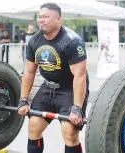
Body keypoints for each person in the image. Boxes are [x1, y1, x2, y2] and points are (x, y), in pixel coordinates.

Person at [17, 3, 89, 153]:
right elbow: (29, 72)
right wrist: (23, 99)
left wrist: (77, 108)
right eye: (40, 17)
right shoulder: (34, 41)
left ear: (58, 19)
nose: (41, 20)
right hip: (47, 87)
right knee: (33, 127)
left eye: (46, 17)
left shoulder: (72, 41)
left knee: (69, 132)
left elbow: (80, 76)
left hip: (70, 88)